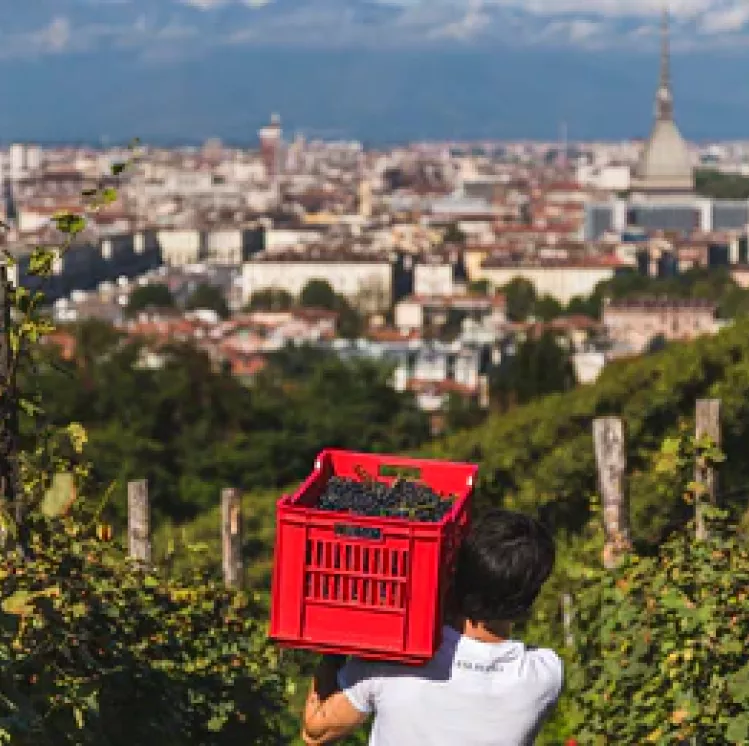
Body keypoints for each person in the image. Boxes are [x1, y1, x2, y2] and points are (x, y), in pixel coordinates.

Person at [301, 508, 563, 745]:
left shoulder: (395, 660)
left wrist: (334, 646)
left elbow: (315, 732)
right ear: (528, 600)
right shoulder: (545, 675)